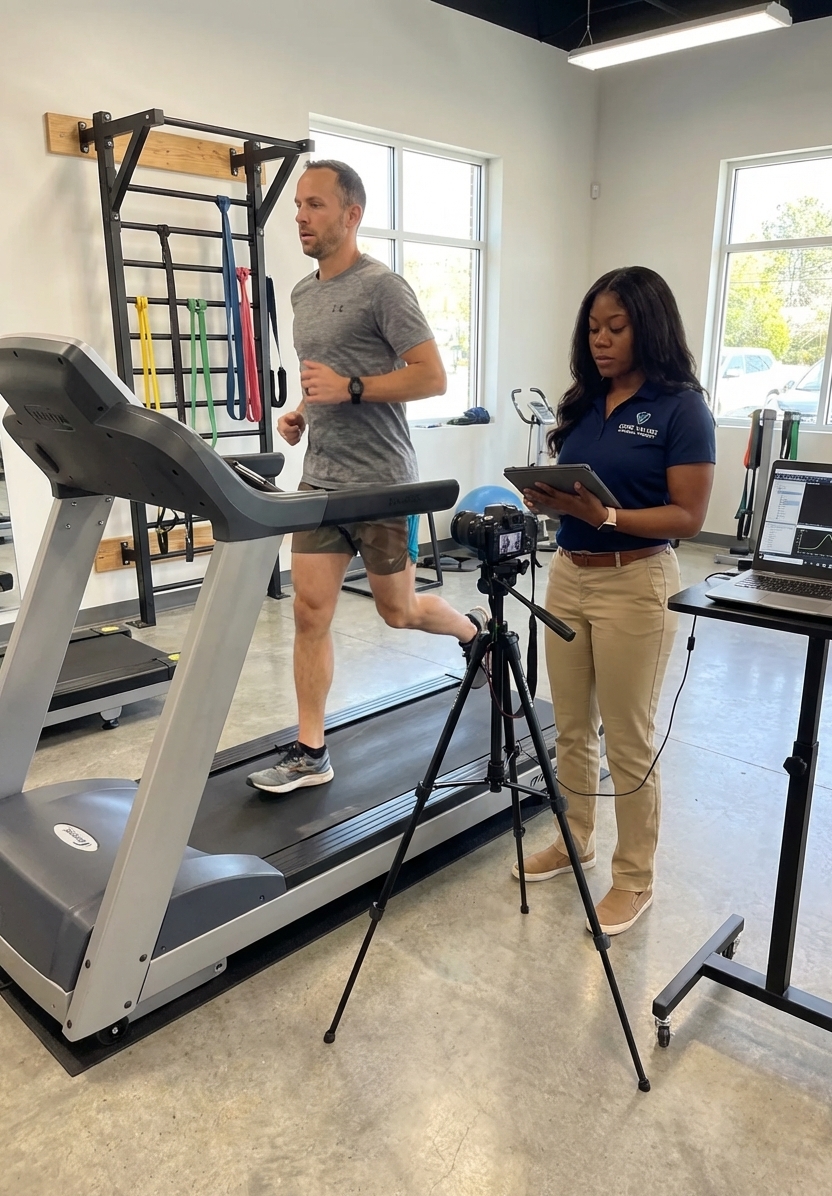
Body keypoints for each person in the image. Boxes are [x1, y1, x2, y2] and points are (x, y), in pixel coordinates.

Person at [248, 160, 486, 794]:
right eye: (298, 204)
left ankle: (473, 634)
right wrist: (302, 412)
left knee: (398, 611)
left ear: (351, 215)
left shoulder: (385, 288)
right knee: (309, 612)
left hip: (383, 482)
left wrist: (352, 388)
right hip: (322, 480)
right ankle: (309, 750)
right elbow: (324, 381)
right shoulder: (301, 295)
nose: (300, 215)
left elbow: (431, 378)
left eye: (315, 205)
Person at [517, 266, 715, 935]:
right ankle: (575, 836)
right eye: (593, 328)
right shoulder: (584, 400)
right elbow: (583, 498)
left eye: (616, 328)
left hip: (636, 582)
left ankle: (635, 879)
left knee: (628, 740)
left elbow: (687, 516)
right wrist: (548, 499)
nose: (601, 340)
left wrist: (603, 516)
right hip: (569, 573)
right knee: (570, 726)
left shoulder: (682, 408)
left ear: (648, 327)